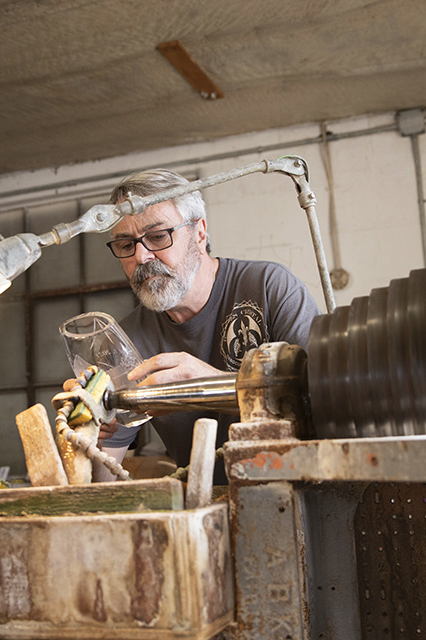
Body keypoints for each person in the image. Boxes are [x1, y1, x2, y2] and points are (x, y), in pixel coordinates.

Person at [87, 168, 321, 483]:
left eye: (158, 236)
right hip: (202, 510)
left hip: (297, 491)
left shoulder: (268, 288)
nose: (141, 257)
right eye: (126, 244)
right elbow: (102, 480)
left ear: (199, 232)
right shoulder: (125, 341)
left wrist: (212, 385)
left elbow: (322, 407)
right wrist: (91, 434)